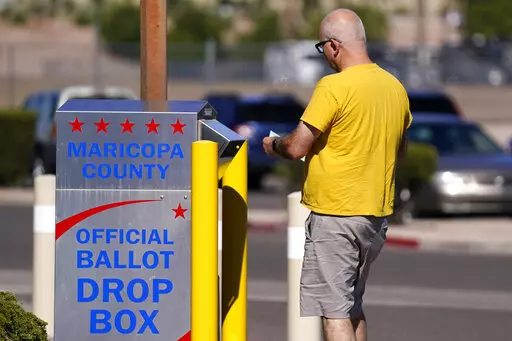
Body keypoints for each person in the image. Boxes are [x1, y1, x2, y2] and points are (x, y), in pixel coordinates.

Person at [262, 8, 412, 341]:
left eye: (322, 48)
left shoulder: (334, 87)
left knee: (333, 313)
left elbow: (298, 145)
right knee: (351, 306)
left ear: (333, 46)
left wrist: (274, 144)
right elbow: (399, 152)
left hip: (336, 214)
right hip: (374, 215)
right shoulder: (395, 88)